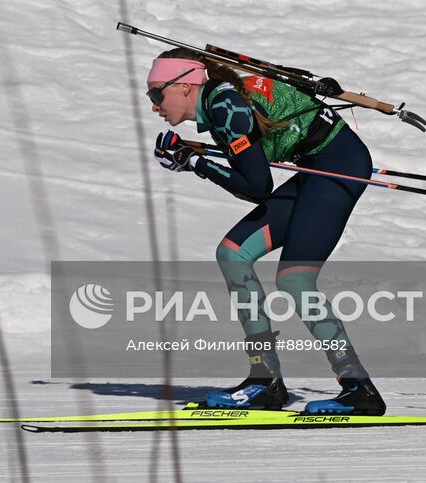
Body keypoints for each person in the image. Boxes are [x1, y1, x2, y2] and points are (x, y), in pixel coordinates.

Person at [146, 48, 386, 415]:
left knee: (294, 279)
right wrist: (194, 161)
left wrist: (196, 163)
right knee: (232, 253)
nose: (154, 106)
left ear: (184, 86)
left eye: (156, 94)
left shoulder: (226, 107)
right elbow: (250, 167)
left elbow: (257, 187)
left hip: (339, 164)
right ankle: (265, 380)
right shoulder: (220, 102)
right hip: (316, 165)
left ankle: (359, 387)